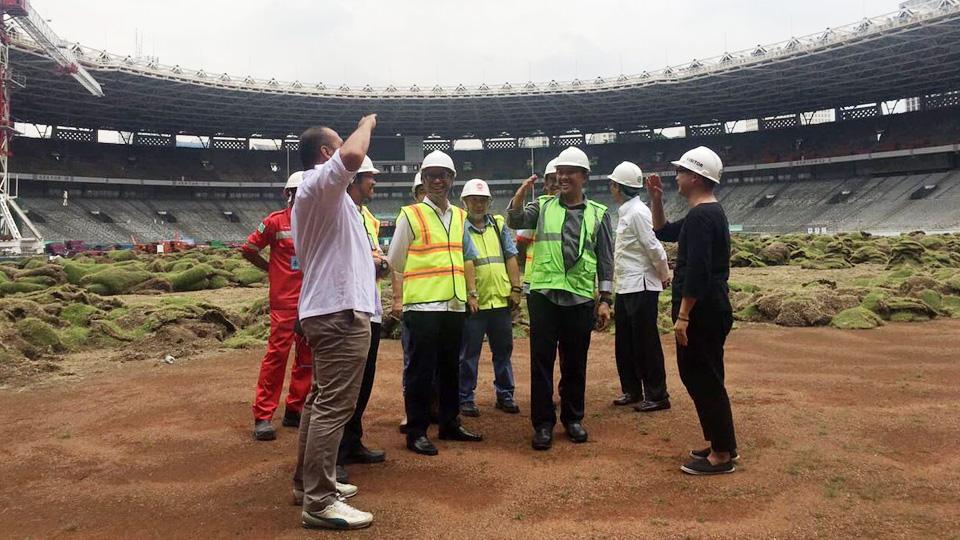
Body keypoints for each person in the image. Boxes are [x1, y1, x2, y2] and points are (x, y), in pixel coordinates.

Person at [290, 116, 379, 530]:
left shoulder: (328, 195)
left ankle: (306, 485)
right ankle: (321, 501)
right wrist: (366, 123)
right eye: (337, 144)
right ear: (327, 155)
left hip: (331, 308)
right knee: (332, 406)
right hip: (339, 313)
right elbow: (354, 154)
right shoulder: (320, 185)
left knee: (319, 401)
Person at [507, 146, 614, 451]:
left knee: (575, 362)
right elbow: (515, 220)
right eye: (560, 172)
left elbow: (605, 260)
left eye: (570, 172)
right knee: (541, 362)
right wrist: (520, 194)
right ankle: (542, 424)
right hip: (543, 295)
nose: (563, 177)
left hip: (580, 297)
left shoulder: (598, 213)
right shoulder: (541, 206)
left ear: (584, 177)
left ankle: (573, 418)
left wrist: (605, 299)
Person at [647, 146, 739, 476]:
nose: (677, 176)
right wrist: (656, 198)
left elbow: (698, 271)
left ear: (696, 178)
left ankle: (721, 454)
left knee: (702, 377)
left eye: (682, 172)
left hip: (703, 310)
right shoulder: (707, 212)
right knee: (707, 375)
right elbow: (663, 231)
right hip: (712, 306)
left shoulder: (703, 216)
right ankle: (721, 442)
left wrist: (684, 316)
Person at [388, 150, 484, 456]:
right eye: (431, 176)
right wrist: (401, 298)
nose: (437, 181)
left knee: (449, 369)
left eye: (443, 175)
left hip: (453, 306)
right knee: (420, 371)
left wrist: (469, 294)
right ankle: (416, 431)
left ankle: (449, 423)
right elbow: (396, 260)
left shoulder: (459, 216)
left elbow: (464, 256)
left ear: (453, 179)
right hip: (423, 307)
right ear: (423, 180)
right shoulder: (411, 214)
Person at [241, 171, 312, 442]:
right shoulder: (275, 222)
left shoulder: (315, 222)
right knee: (277, 357)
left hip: (309, 301)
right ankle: (263, 415)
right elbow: (248, 249)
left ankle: (295, 408)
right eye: (297, 192)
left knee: (306, 359)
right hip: (284, 302)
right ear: (289, 194)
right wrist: (271, 268)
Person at [607, 161, 672, 412]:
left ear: (618, 187)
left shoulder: (637, 213)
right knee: (625, 342)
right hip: (626, 285)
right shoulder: (628, 210)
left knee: (645, 342)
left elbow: (654, 246)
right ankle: (632, 389)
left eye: (612, 185)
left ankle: (657, 394)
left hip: (642, 285)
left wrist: (664, 274)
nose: (611, 189)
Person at [338, 156, 388, 468]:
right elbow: (354, 260)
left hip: (371, 308)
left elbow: (379, 259)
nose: (374, 182)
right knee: (343, 388)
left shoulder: (366, 216)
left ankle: (353, 442)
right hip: (349, 310)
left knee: (363, 383)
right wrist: (376, 262)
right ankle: (335, 455)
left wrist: (378, 262)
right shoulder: (339, 212)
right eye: (369, 177)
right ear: (354, 179)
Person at [458, 179, 522, 417]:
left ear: (489, 202)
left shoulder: (498, 224)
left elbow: (511, 256)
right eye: (474, 200)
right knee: (468, 354)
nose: (479, 204)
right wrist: (471, 294)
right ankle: (465, 398)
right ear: (464, 202)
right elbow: (466, 260)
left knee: (503, 351)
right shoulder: (459, 226)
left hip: (500, 301)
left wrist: (516, 288)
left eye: (483, 200)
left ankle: (505, 395)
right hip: (475, 303)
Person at [515, 158, 559, 293]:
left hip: (562, 281)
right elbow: (521, 244)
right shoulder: (536, 208)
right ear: (545, 183)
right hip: (536, 280)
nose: (556, 183)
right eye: (552, 179)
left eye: (559, 179)